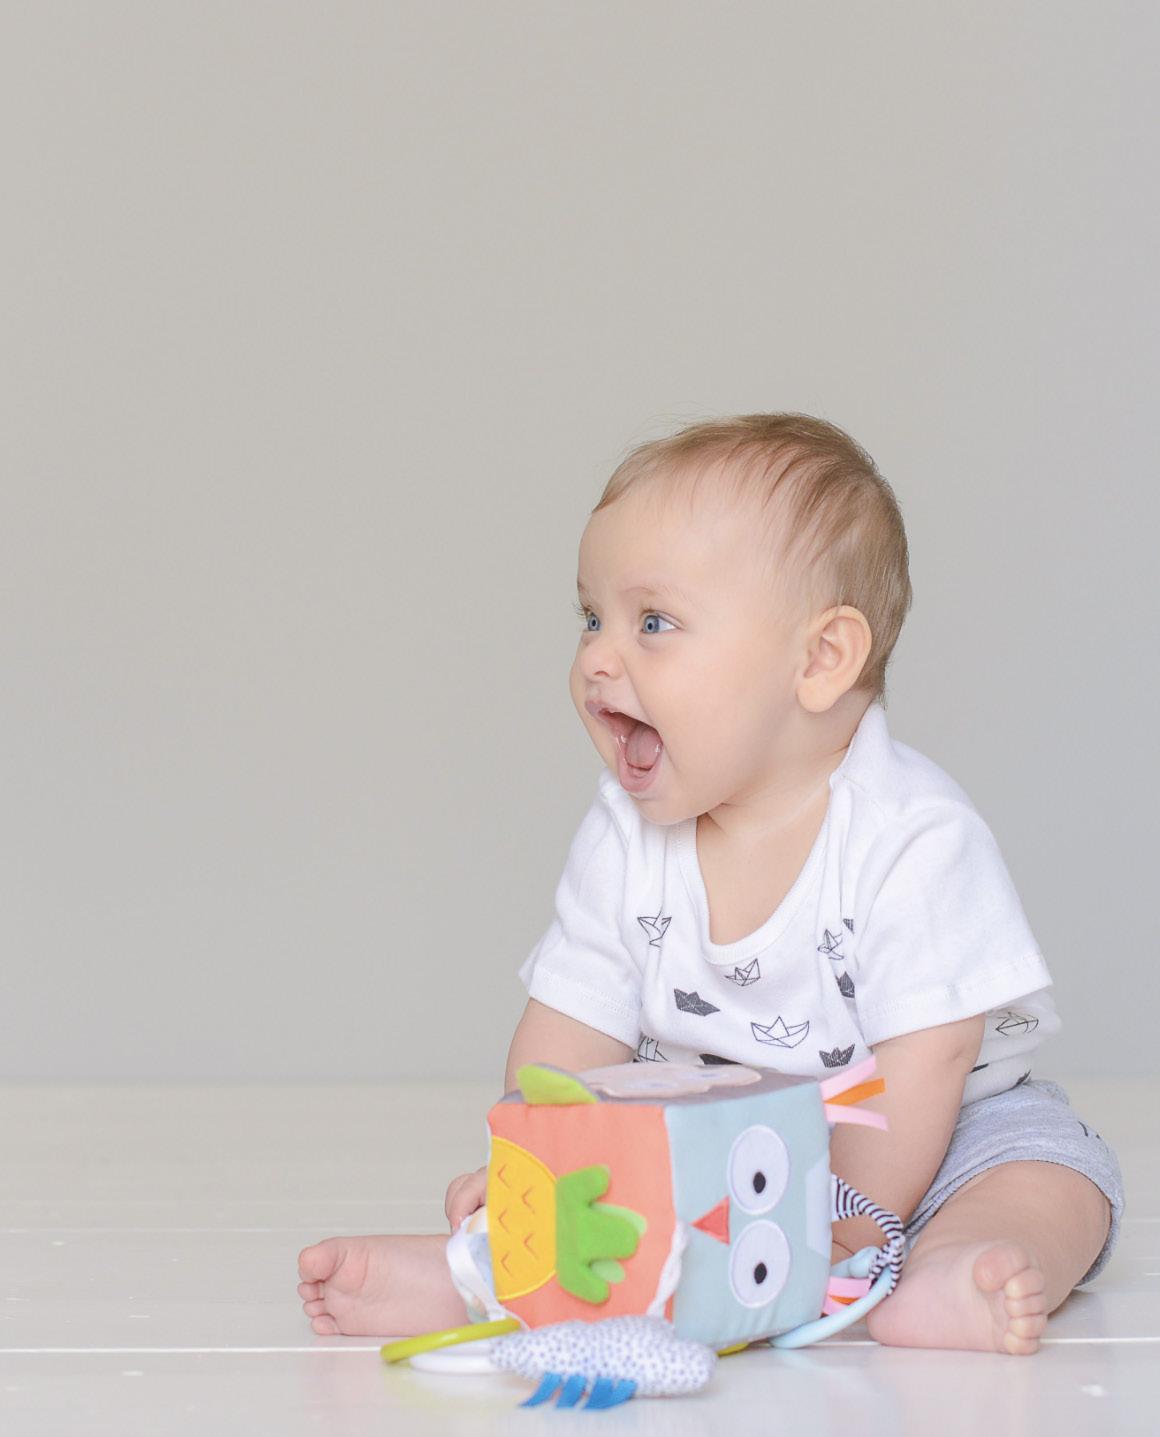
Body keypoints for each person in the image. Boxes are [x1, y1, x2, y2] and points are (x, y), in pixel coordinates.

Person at [297, 413, 1124, 1354]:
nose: (597, 656)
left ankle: (949, 1265)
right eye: (591, 618)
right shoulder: (625, 833)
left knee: (1053, 1179)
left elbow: (925, 1062)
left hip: (936, 1140)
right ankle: (479, 1279)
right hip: (704, 1152)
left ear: (820, 659)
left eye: (652, 623)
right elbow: (571, 1028)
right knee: (606, 1212)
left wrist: (833, 1228)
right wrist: (539, 1168)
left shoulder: (911, 837)